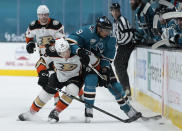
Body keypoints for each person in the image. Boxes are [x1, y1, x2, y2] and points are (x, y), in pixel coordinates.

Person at [57, 16, 141, 123]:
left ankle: (129, 111)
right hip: (89, 64)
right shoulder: (87, 31)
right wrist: (79, 51)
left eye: (108, 30)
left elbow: (108, 57)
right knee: (90, 82)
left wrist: (105, 69)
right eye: (105, 30)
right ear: (98, 28)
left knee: (116, 87)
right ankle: (89, 110)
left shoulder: (111, 39)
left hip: (101, 64)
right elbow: (70, 41)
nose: (107, 32)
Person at [18, 38, 98, 121]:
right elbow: (41, 62)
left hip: (76, 77)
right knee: (45, 94)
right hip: (59, 76)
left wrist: (104, 71)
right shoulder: (52, 52)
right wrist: (42, 74)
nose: (66, 54)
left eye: (67, 51)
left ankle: (56, 112)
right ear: (57, 51)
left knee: (72, 90)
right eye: (62, 53)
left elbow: (95, 62)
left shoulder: (78, 52)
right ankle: (30, 113)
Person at [25, 5, 65, 104]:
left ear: (48, 15)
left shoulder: (56, 24)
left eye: (45, 15)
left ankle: (78, 92)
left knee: (59, 75)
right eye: (41, 15)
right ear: (38, 15)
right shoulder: (33, 25)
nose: (43, 17)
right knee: (44, 72)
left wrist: (52, 43)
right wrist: (29, 44)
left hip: (56, 53)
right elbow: (28, 36)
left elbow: (62, 39)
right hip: (43, 55)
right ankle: (55, 97)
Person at [110, 3, 135, 97]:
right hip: (122, 45)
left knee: (118, 65)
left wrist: (119, 42)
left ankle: (126, 91)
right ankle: (126, 90)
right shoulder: (116, 21)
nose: (115, 12)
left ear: (119, 11)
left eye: (117, 10)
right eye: (113, 11)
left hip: (126, 45)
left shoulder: (122, 21)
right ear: (111, 12)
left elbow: (128, 35)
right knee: (120, 66)